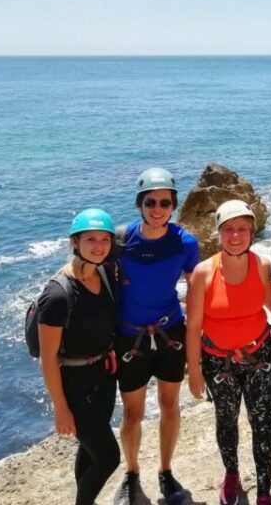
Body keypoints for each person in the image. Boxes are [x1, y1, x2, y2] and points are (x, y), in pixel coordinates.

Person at [113, 167, 200, 505]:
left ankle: (166, 471)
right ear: (140, 204)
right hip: (129, 336)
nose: (158, 208)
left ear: (173, 206)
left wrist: (198, 344)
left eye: (166, 202)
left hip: (170, 333)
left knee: (169, 406)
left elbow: (196, 291)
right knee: (132, 413)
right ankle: (131, 474)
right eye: (151, 202)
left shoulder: (186, 243)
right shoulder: (121, 240)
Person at [186, 200, 271, 505]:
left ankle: (264, 491)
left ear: (252, 232)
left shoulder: (263, 266)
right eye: (229, 230)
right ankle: (232, 474)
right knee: (226, 420)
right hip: (217, 360)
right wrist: (195, 372)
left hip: (258, 357)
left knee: (262, 421)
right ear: (219, 234)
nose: (236, 236)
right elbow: (193, 326)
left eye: (242, 229)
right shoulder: (203, 273)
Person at [38, 208, 120, 505]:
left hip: (103, 377)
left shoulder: (105, 272)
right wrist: (60, 407)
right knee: (109, 457)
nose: (98, 246)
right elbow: (47, 357)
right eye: (90, 240)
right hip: (75, 385)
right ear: (75, 242)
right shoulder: (58, 295)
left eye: (104, 239)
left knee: (90, 450)